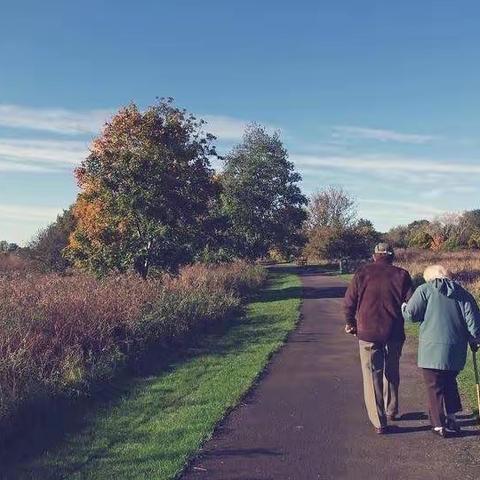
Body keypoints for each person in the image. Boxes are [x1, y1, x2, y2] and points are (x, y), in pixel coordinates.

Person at [402, 265, 480, 438]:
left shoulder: (424, 290)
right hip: (455, 350)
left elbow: (411, 315)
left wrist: (403, 306)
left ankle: (438, 424)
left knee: (434, 386)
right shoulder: (463, 293)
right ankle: (452, 418)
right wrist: (475, 340)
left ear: (429, 277)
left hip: (431, 350)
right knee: (450, 382)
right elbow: (473, 323)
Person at [344, 243, 413, 434]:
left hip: (368, 332)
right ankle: (392, 409)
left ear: (374, 256)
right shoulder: (402, 274)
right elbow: (411, 303)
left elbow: (349, 301)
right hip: (394, 331)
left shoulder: (362, 273)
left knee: (372, 375)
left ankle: (379, 422)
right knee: (392, 370)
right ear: (391, 257)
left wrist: (350, 322)